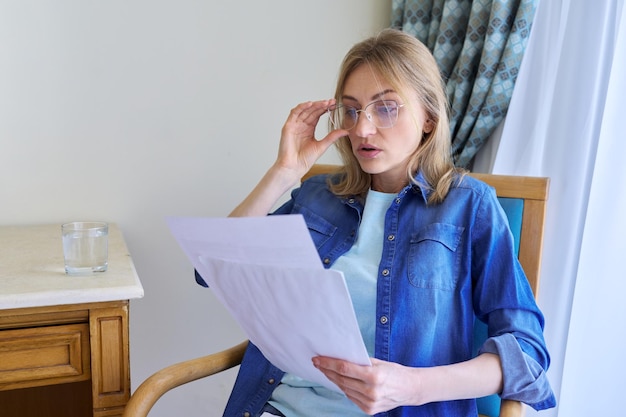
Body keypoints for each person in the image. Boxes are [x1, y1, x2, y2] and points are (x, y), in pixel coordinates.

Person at [221, 28, 556, 417]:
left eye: (386, 108)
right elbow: (217, 268)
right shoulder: (317, 196)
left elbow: (527, 353)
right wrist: (283, 171)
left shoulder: (470, 207)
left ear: (429, 117)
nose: (362, 129)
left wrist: (411, 386)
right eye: (352, 109)